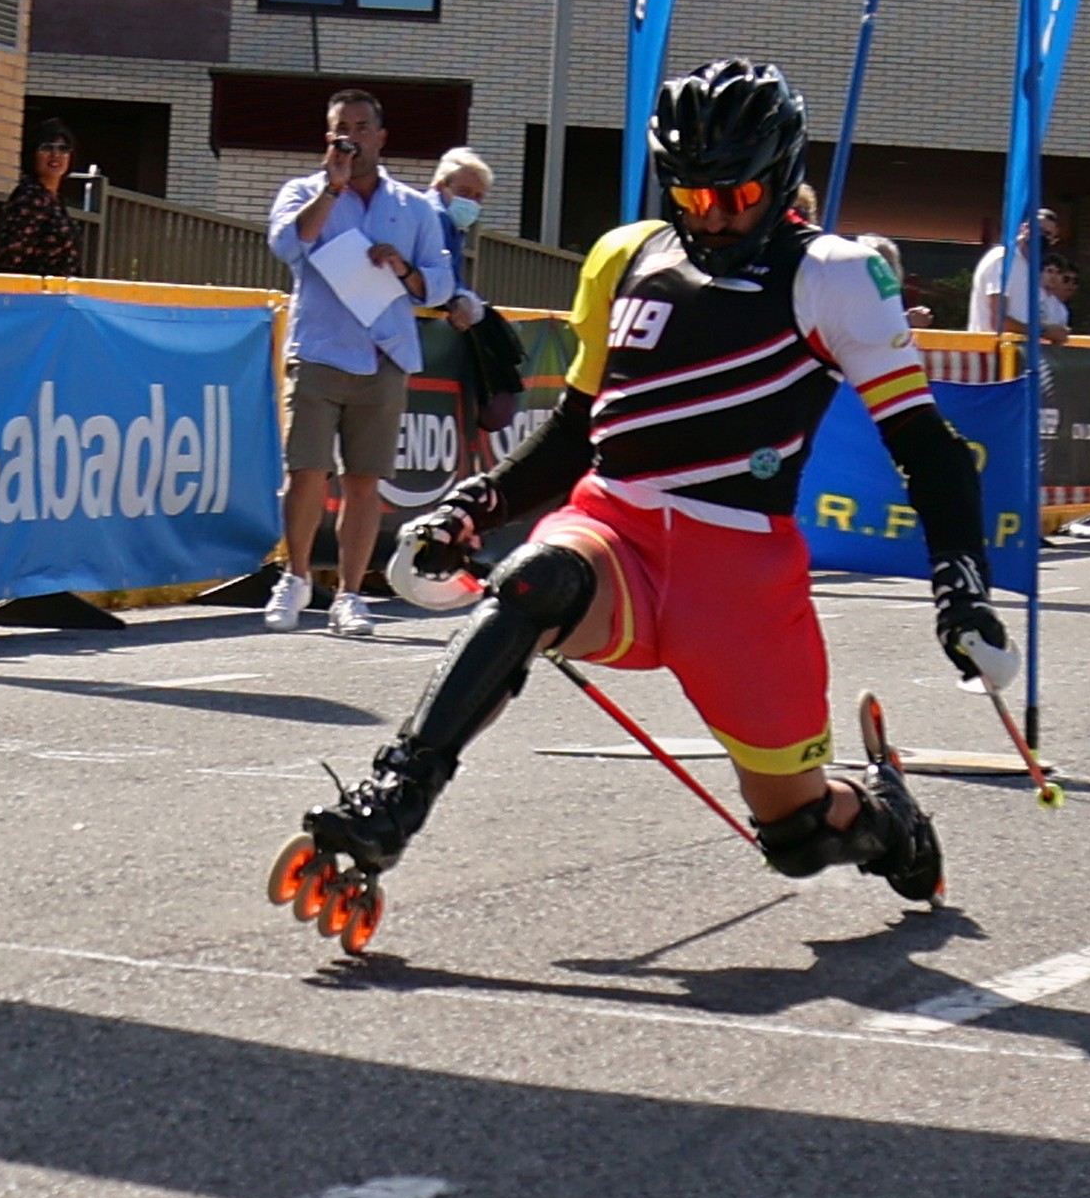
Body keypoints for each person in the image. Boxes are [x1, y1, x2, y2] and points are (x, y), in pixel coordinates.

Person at [297, 58, 1004, 911]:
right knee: (533, 580)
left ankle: (887, 816)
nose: (713, 216)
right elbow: (575, 429)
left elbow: (927, 446)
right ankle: (394, 798)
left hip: (739, 574)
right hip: (617, 530)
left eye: (737, 195)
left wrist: (960, 585)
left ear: (782, 177)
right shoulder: (626, 253)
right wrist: (475, 504)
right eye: (692, 195)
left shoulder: (837, 273)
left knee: (799, 838)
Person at [266, 89, 476, 638]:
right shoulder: (303, 192)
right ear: (328, 137)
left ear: (381, 138)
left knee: (364, 481)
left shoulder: (412, 207)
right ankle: (295, 578)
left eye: (362, 128)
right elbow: (287, 245)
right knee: (305, 472)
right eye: (342, 128)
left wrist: (404, 269)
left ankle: (351, 594)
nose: (352, 138)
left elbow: (441, 283)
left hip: (384, 354)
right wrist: (332, 188)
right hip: (319, 350)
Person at [0, 119, 81, 276]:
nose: (55, 154)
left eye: (63, 149)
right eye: (47, 148)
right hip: (30, 289)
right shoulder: (29, 197)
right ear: (32, 154)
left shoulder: (56, 199)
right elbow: (12, 259)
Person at [427, 146, 493, 291]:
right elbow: (442, 283)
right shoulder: (438, 218)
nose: (471, 201)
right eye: (464, 192)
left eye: (478, 196)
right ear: (440, 186)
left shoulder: (452, 221)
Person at [998, 209, 1065, 337]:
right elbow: (998, 320)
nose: (1041, 236)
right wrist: (1045, 331)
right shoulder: (1003, 260)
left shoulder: (1031, 270)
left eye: (1047, 234)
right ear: (1024, 228)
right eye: (1038, 230)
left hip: (1020, 347)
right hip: (993, 347)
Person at [855, 233, 933, 328]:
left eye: (889, 264)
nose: (884, 270)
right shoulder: (846, 294)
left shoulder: (895, 298)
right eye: (876, 264)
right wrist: (905, 319)